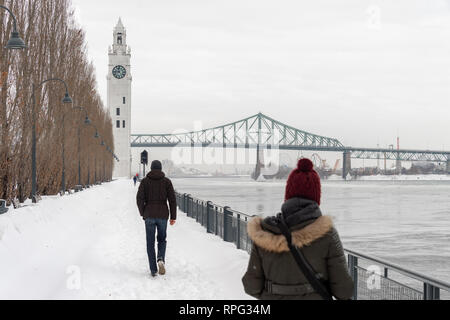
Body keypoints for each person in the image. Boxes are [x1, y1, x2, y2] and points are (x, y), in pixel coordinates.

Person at [242, 158, 354, 300]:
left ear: (287, 195)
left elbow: (251, 286)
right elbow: (344, 291)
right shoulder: (327, 234)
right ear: (316, 197)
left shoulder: (264, 232)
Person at [137, 160, 177, 277]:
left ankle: (153, 269)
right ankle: (160, 259)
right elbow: (172, 200)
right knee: (161, 239)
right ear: (160, 168)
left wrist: (143, 212)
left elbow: (139, 198)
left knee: (150, 242)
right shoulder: (167, 182)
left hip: (149, 214)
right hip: (163, 215)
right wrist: (173, 217)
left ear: (151, 168)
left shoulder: (145, 181)